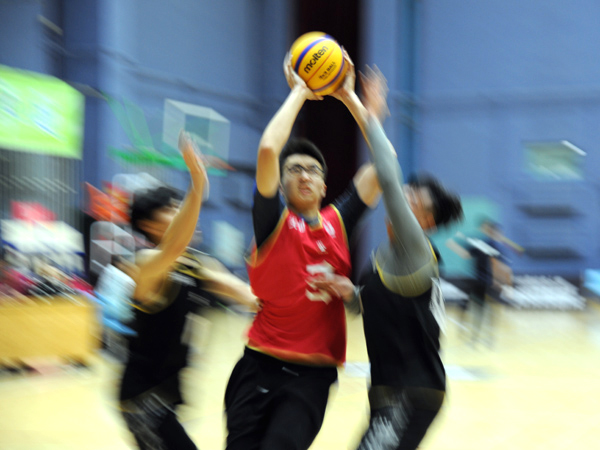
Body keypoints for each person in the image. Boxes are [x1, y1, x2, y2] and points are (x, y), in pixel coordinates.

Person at [223, 53, 380, 450]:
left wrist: (351, 99)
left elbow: (384, 170)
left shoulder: (338, 222)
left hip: (312, 377)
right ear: (281, 184)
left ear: (325, 186)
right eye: (295, 170)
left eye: (313, 170)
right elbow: (267, 151)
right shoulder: (272, 223)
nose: (305, 175)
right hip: (258, 365)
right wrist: (299, 91)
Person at [313, 67, 464, 449]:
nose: (403, 198)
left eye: (413, 199)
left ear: (426, 222)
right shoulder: (386, 257)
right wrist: (350, 293)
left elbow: (388, 176)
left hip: (413, 392)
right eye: (407, 193)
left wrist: (368, 110)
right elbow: (373, 307)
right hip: (390, 391)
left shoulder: (417, 250)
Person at [117, 131, 259, 450]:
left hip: (166, 398)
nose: (181, 213)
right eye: (171, 209)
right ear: (149, 225)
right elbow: (172, 248)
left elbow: (246, 294)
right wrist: (197, 184)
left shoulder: (196, 264)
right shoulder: (145, 264)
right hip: (142, 402)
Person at [446, 218, 519, 345]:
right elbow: (504, 267)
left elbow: (465, 255)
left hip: (483, 282)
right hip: (489, 283)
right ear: (494, 232)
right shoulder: (495, 247)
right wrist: (507, 285)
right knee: (489, 311)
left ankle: (477, 339)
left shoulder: (482, 244)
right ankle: (486, 339)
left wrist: (452, 245)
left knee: (480, 311)